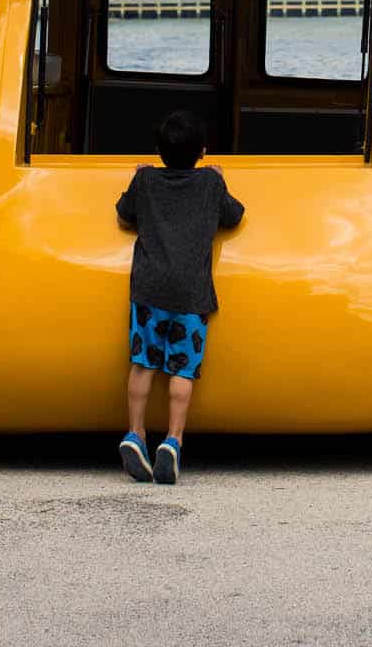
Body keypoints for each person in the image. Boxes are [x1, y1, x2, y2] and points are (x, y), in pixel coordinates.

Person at [115, 109, 244, 485]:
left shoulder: (146, 180)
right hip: (190, 294)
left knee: (142, 364)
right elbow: (234, 217)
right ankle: (173, 440)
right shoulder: (209, 183)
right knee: (181, 370)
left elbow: (124, 216)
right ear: (203, 152)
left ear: (157, 150)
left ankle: (135, 433)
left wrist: (136, 177)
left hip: (149, 289)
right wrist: (220, 179)